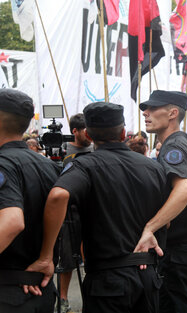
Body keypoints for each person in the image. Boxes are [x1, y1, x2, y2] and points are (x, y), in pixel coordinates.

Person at [25, 102, 168, 313]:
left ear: (89, 136)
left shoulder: (85, 165)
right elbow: (168, 216)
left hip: (108, 279)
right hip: (147, 274)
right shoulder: (153, 167)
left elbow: (58, 195)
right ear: (122, 133)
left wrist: (46, 256)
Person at [138, 90, 187, 313]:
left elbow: (185, 190)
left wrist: (150, 228)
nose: (146, 113)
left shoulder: (173, 148)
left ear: (173, 113)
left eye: (153, 108)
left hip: (180, 254)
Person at [0, 89, 60, 313]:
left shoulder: (3, 163)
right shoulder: (48, 165)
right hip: (40, 287)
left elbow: (13, 221)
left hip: (9, 290)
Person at [58, 113, 93, 313]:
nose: (89, 134)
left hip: (91, 210)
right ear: (75, 131)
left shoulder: (96, 148)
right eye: (85, 131)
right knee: (67, 259)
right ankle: (63, 299)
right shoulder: (63, 151)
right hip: (68, 212)